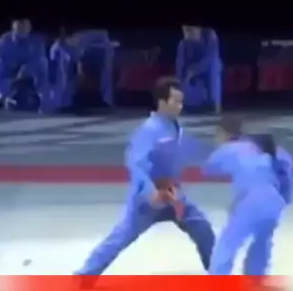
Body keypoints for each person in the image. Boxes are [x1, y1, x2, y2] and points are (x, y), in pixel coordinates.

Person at [74, 76, 215, 279]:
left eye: (181, 101)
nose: (180, 106)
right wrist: (150, 192)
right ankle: (85, 274)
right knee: (121, 236)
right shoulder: (149, 130)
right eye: (175, 101)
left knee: (201, 226)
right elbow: (137, 164)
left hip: (173, 195)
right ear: (162, 101)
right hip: (149, 200)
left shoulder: (175, 127)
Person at [201, 116, 293, 275]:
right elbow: (287, 172)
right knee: (262, 242)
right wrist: (285, 199)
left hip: (250, 201)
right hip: (274, 202)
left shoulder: (231, 149)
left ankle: (218, 281)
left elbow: (208, 168)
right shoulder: (274, 150)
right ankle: (255, 278)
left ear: (222, 133)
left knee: (228, 244)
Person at [0, 19, 49, 112]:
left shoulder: (37, 41)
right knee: (4, 86)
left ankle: (40, 100)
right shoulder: (4, 42)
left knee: (43, 63)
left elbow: (38, 61)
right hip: (12, 77)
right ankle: (10, 99)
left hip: (30, 78)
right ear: (13, 27)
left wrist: (25, 71)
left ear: (29, 28)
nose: (22, 29)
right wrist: (1, 91)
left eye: (25, 27)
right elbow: (1, 67)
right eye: (19, 27)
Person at [175, 25, 222, 112]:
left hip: (206, 67)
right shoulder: (183, 44)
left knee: (215, 66)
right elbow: (180, 68)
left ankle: (213, 103)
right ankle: (183, 100)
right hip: (191, 71)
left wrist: (194, 70)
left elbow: (211, 58)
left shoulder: (210, 37)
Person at [48, 27, 80, 111]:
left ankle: (65, 104)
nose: (77, 40)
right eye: (75, 38)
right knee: (62, 81)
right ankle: (60, 104)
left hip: (68, 75)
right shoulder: (59, 48)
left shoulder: (71, 48)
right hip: (58, 76)